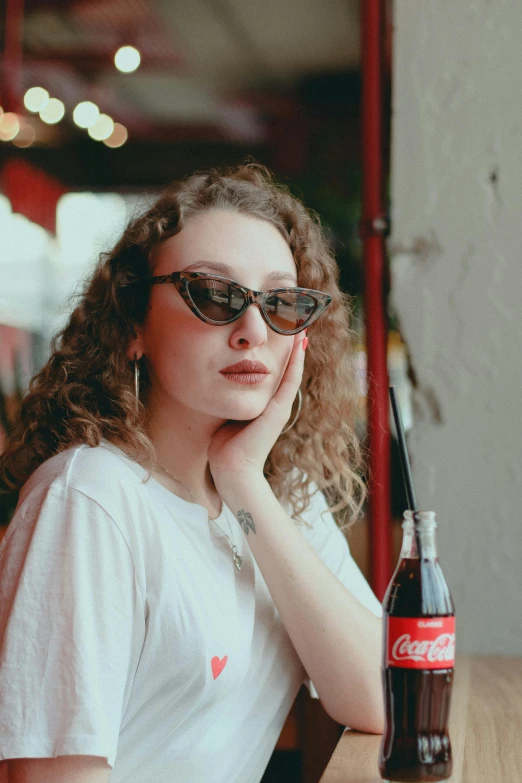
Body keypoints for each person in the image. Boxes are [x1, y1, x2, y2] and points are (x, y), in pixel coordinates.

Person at [0, 162, 384, 783]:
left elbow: (382, 697)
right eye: (213, 295)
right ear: (132, 327)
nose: (254, 330)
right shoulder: (90, 500)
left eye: (282, 302)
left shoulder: (280, 493)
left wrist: (244, 482)